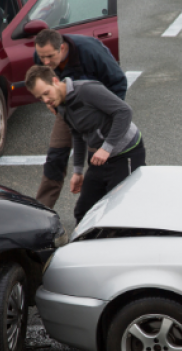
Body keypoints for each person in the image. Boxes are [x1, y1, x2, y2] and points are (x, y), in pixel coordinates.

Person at [25, 65, 145, 223]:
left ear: (55, 81)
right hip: (101, 157)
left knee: (119, 211)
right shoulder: (60, 104)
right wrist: (78, 171)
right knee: (83, 211)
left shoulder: (87, 90)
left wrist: (106, 148)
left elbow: (124, 112)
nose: (46, 100)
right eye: (40, 98)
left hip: (126, 152)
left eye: (46, 93)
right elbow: (77, 133)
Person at [32, 29, 128, 208]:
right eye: (41, 57)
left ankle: (107, 212)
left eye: (50, 56)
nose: (45, 62)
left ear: (62, 48)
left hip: (97, 111)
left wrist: (106, 118)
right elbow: (42, 82)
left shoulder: (90, 52)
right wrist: (50, 103)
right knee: (55, 158)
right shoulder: (42, 56)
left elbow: (119, 83)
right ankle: (42, 213)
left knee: (98, 164)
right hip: (66, 110)